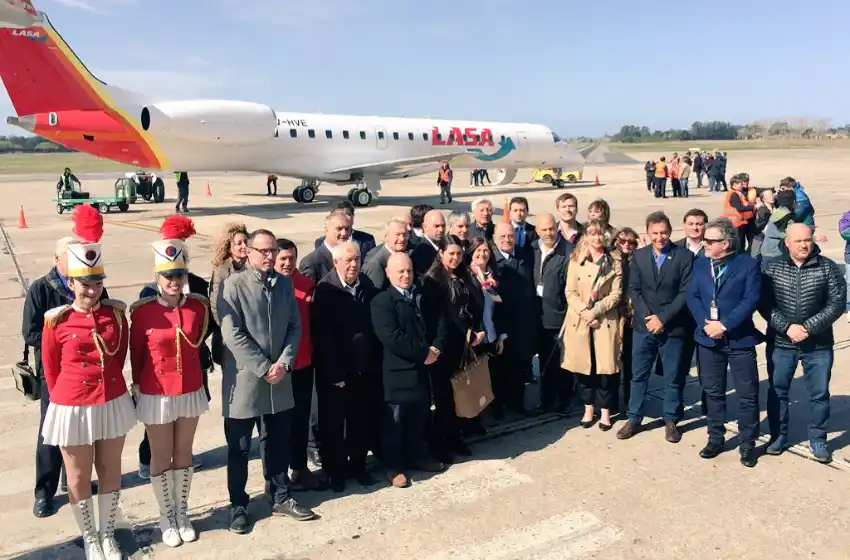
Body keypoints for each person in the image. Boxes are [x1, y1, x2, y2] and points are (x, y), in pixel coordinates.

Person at [40, 205, 135, 560]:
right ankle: (90, 538)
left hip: (111, 400)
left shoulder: (116, 315)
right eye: (85, 283)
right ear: (71, 283)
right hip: (72, 405)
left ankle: (108, 533)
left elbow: (120, 354)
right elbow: (51, 369)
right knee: (78, 478)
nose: (92, 290)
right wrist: (65, 400)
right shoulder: (57, 321)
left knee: (111, 470)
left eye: (97, 283)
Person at [216, 229, 315, 533]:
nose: (269, 256)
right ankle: (238, 504)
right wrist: (263, 367)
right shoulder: (232, 286)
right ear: (248, 252)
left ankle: (280, 495)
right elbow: (232, 334)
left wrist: (283, 362)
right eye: (263, 251)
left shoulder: (284, 285)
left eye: (272, 250)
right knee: (240, 447)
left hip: (279, 379)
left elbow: (294, 327)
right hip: (246, 380)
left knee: (277, 441)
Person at [129, 215, 210, 547]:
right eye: (168, 275)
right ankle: (166, 515)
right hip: (156, 392)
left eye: (179, 274)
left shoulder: (198, 307)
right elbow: (135, 354)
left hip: (190, 389)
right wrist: (136, 388)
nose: (174, 281)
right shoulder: (142, 311)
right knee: (161, 457)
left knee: (184, 454)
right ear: (157, 277)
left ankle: (182, 511)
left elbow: (198, 344)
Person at [23, 236, 110, 518]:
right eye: (69, 257)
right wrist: (65, 344)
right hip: (56, 374)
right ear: (57, 259)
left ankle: (72, 479)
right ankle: (43, 491)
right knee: (51, 431)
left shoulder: (94, 284)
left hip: (89, 375)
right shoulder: (41, 288)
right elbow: (31, 332)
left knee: (84, 431)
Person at [760, 224, 846, 464]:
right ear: (787, 242)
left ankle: (818, 439)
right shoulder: (771, 268)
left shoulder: (827, 267)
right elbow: (765, 304)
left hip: (817, 345)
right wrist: (787, 327)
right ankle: (778, 436)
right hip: (781, 342)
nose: (804, 245)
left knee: (818, 394)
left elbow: (837, 303)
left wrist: (808, 328)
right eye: (798, 241)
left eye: (807, 240)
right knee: (778, 392)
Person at [686, 218, 761, 468]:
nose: (704, 243)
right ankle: (715, 437)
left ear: (725, 243)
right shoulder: (700, 264)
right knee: (713, 392)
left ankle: (748, 444)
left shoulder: (748, 265)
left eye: (709, 240)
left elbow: (750, 300)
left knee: (747, 395)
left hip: (739, 339)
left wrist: (724, 325)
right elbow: (693, 296)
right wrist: (706, 325)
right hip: (708, 340)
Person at [617, 212, 694, 443]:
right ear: (648, 234)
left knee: (673, 376)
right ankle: (633, 418)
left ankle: (671, 419)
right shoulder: (639, 256)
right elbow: (635, 290)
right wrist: (649, 317)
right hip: (644, 326)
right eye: (655, 233)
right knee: (639, 375)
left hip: (672, 327)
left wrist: (663, 318)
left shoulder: (684, 256)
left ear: (670, 231)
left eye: (663, 232)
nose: (659, 237)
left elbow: (685, 292)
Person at [370, 253, 446, 487]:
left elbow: (439, 321)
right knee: (395, 424)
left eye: (409, 271)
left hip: (422, 373)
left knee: (419, 419)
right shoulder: (382, 301)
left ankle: (418, 457)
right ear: (389, 273)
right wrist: (424, 354)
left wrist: (437, 346)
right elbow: (392, 337)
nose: (405, 275)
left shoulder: (420, 295)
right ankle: (394, 468)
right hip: (398, 375)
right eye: (400, 271)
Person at [312, 241, 380, 491]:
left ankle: (359, 466)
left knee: (360, 421)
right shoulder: (326, 290)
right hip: (337, 373)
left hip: (363, 369)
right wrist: (334, 372)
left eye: (357, 259)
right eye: (348, 260)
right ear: (336, 262)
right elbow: (323, 337)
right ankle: (335, 472)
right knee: (334, 426)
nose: (353, 264)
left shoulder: (366, 286)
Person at [420, 235, 483, 463]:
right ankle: (440, 443)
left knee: (460, 396)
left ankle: (456, 436)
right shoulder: (433, 281)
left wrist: (477, 328)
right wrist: (440, 344)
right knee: (444, 398)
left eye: (458, 254)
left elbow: (475, 305)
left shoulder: (464, 275)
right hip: (443, 347)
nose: (455, 258)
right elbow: (436, 319)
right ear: (441, 254)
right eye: (451, 254)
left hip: (463, 345)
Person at [274, 238, 328, 491]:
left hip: (304, 364)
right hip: (278, 369)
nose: (287, 263)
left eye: (291, 258)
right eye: (282, 258)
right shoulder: (269, 286)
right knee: (278, 426)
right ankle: (278, 473)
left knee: (301, 420)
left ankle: (299, 468)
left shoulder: (306, 286)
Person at [562, 220, 623, 431]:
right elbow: (570, 291)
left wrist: (596, 310)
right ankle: (588, 409)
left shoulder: (613, 260)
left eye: (600, 234)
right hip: (581, 320)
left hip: (605, 320)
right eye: (592, 234)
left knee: (606, 369)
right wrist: (585, 312)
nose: (597, 238)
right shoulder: (576, 260)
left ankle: (605, 411)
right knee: (584, 369)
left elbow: (616, 293)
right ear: (585, 236)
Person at [533, 213, 574, 413]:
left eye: (551, 229)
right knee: (544, 362)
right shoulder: (532, 249)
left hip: (560, 318)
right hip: (538, 317)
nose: (549, 233)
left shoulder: (567, 252)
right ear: (537, 231)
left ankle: (563, 401)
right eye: (544, 230)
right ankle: (546, 399)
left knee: (562, 363)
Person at [312, 201, 377, 263]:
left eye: (348, 214)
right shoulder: (321, 242)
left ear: (353, 217)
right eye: (340, 214)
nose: (344, 217)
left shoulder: (368, 241)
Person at [300, 210, 352, 283]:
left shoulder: (353, 258)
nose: (344, 233)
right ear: (326, 230)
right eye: (339, 229)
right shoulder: (311, 262)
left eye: (347, 229)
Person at [362, 217, 410, 290]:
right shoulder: (376, 263)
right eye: (397, 234)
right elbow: (375, 294)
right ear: (386, 236)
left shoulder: (407, 255)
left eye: (404, 234)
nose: (402, 238)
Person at [411, 209, 447, 279]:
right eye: (436, 226)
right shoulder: (420, 252)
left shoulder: (445, 246)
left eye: (443, 226)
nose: (441, 230)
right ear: (424, 227)